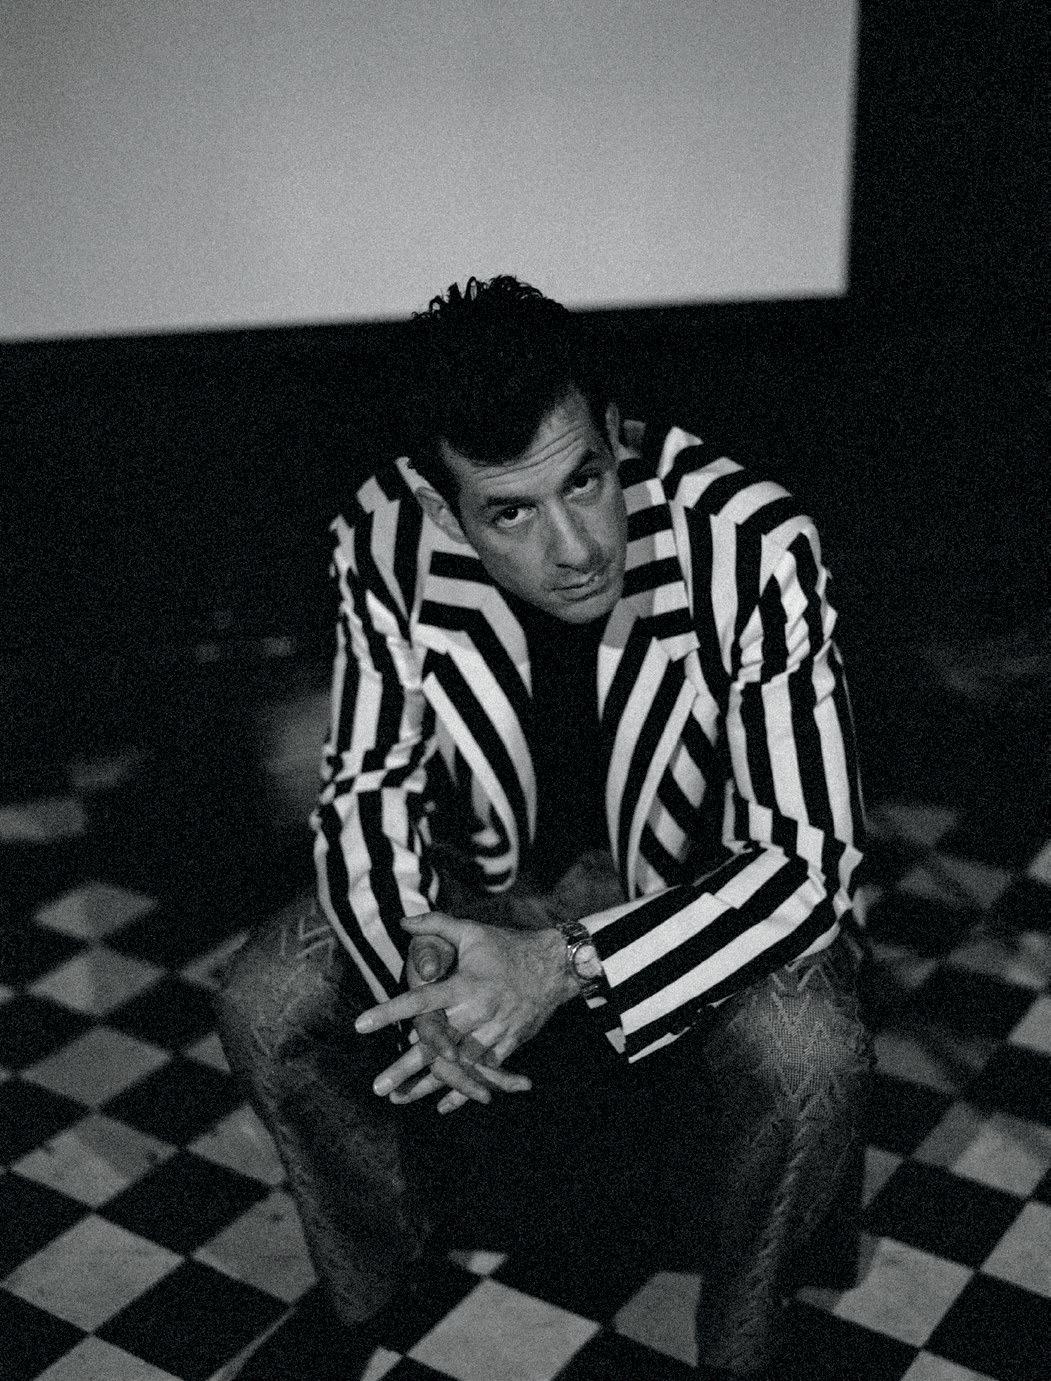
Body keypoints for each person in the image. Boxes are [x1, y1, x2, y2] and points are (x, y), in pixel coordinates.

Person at [216, 276, 872, 1379]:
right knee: (263, 1000)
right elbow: (368, 787)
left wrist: (560, 963)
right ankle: (378, 1276)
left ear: (616, 437)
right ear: (445, 512)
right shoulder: (383, 539)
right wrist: (419, 968)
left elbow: (806, 865)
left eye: (586, 480)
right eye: (510, 513)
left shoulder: (753, 543)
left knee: (814, 1051)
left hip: (688, 893)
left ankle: (743, 1335)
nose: (574, 548)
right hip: (483, 884)